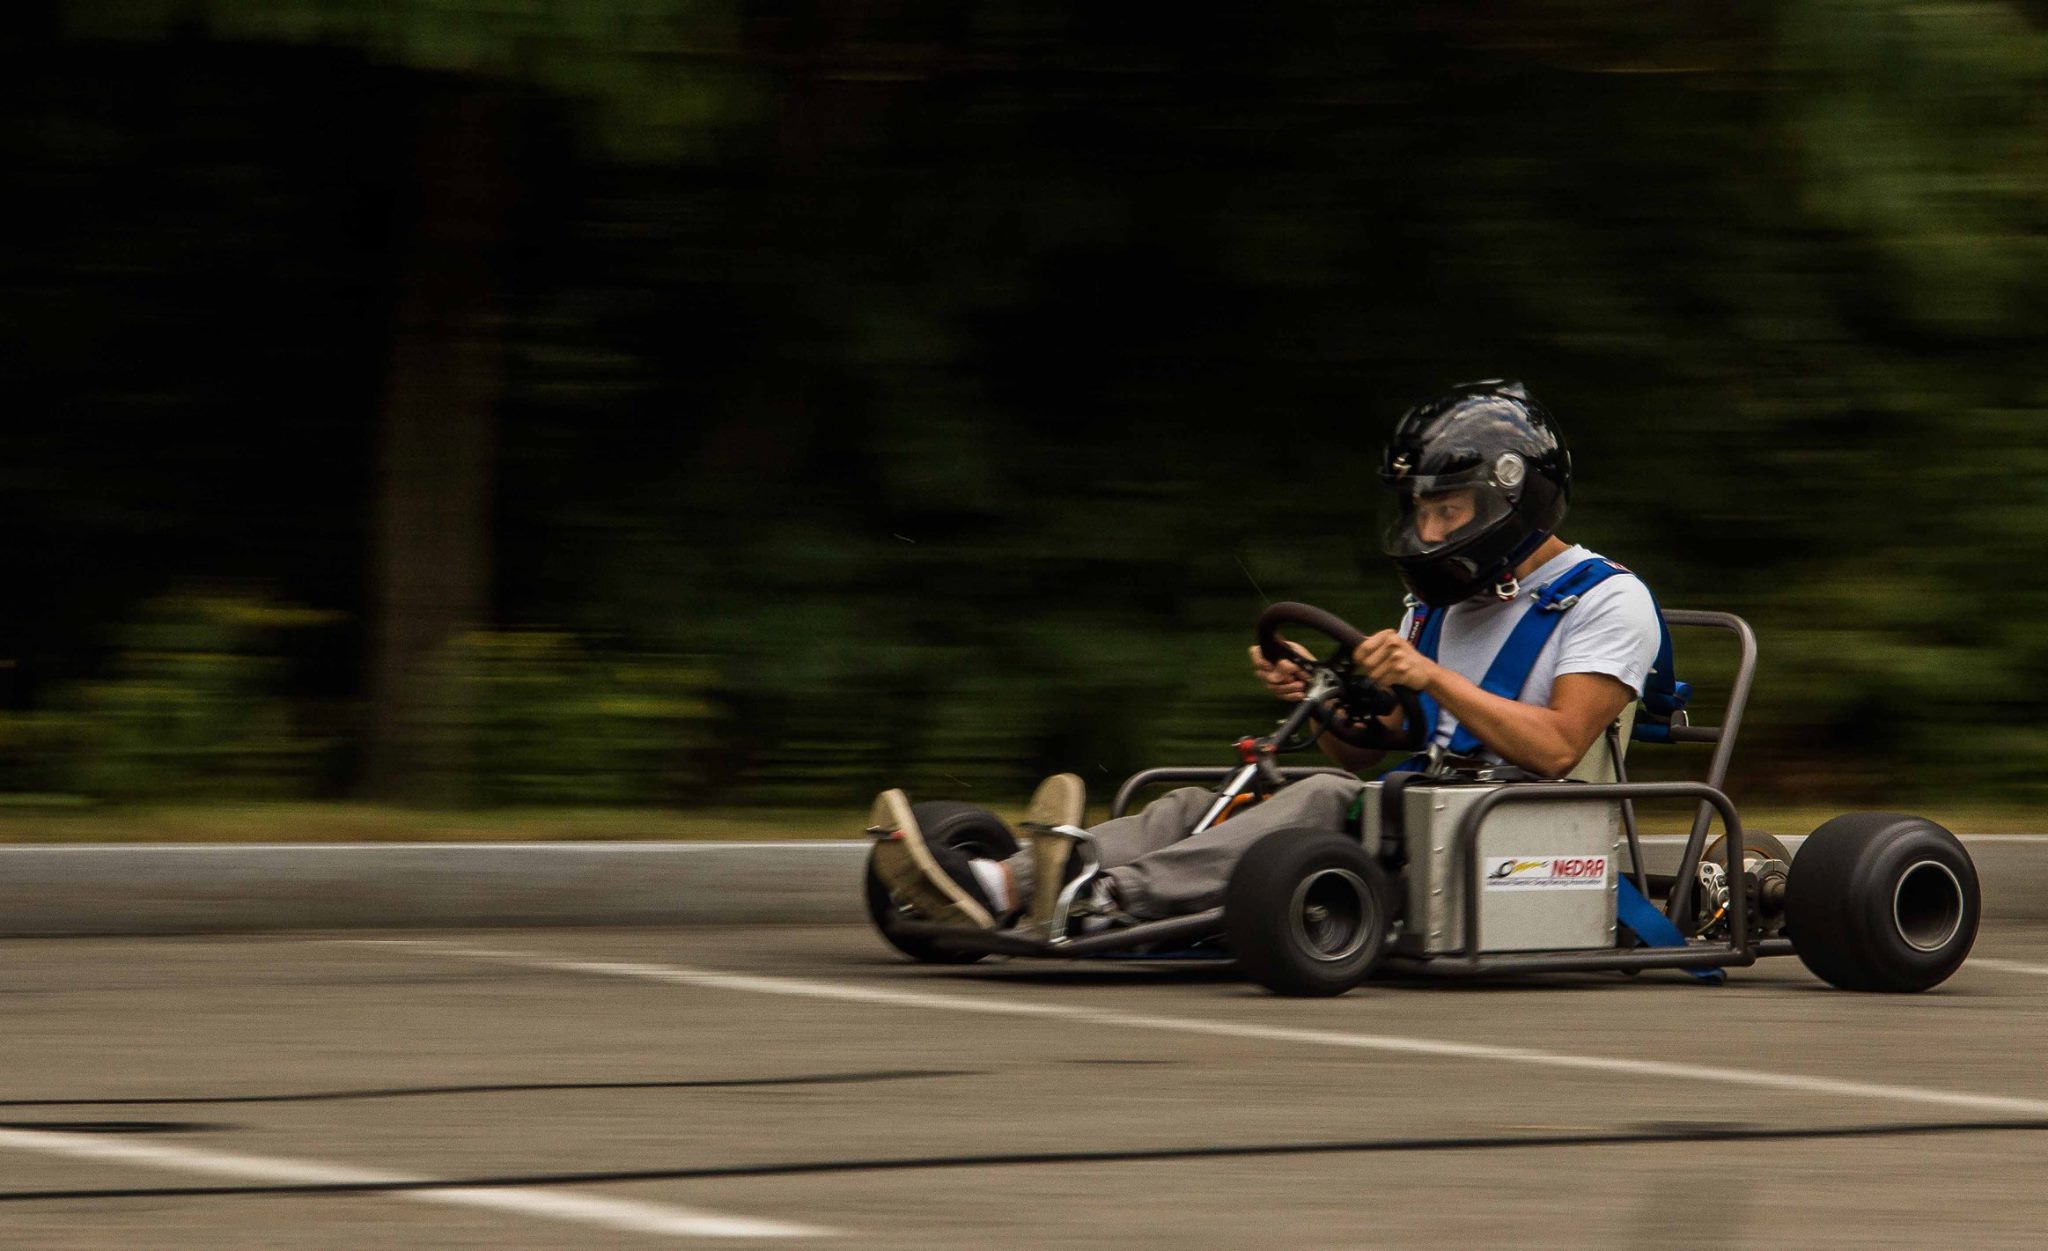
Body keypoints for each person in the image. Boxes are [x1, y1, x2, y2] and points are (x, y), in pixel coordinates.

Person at [869, 380, 1664, 936]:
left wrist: (1430, 677)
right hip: (1432, 822)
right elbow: (1376, 742)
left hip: (1530, 840)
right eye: (1420, 513)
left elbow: (1560, 747)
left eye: (1445, 511)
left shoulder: (1605, 599)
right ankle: (997, 884)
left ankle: (1097, 896)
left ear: (1510, 501)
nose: (1427, 534)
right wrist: (1326, 695)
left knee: (1323, 799)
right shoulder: (1446, 598)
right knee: (1201, 805)